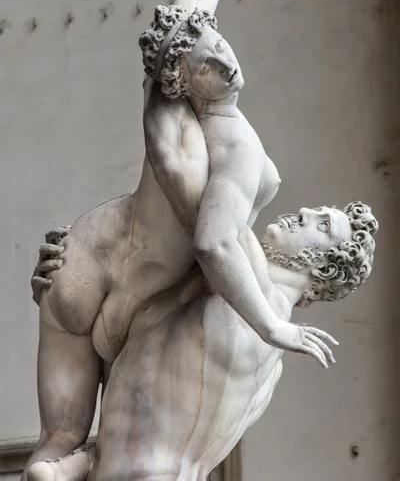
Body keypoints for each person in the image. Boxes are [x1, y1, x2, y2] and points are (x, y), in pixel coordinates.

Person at [23, 0, 341, 478]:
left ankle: (77, 461)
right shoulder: (222, 148)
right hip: (104, 278)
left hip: (97, 271)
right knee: (60, 443)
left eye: (221, 47)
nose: (224, 60)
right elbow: (214, 245)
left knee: (56, 446)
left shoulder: (191, 126)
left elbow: (179, 33)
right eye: (207, 62)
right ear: (184, 79)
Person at [28, 202, 378, 481]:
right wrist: (64, 292)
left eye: (323, 225)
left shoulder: (248, 276)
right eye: (315, 211)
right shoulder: (271, 369)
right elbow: (140, 410)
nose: (304, 213)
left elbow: (208, 177)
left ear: (325, 270)